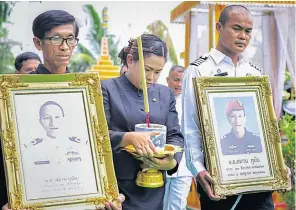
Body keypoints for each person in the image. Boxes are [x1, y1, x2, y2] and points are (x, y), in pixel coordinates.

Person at [0, 10, 124, 210]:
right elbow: (9, 151)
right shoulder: (19, 93)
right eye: (56, 39)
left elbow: (96, 146)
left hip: (78, 197)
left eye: (71, 39)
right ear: (38, 43)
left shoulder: (85, 93)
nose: (65, 47)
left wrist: (106, 192)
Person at [182, 5, 290, 210]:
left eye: (248, 31)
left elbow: (265, 128)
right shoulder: (199, 71)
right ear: (219, 27)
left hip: (257, 179)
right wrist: (198, 170)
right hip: (218, 180)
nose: (243, 36)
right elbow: (191, 128)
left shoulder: (254, 73)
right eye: (236, 28)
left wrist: (277, 164)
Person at [101, 34, 184, 210]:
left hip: (154, 187)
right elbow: (97, 137)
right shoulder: (106, 89)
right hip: (118, 188)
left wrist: (171, 163)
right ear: (130, 60)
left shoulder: (165, 94)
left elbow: (175, 135)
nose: (151, 78)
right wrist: (127, 138)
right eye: (147, 69)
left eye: (158, 72)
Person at [163, 65, 193, 210]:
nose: (179, 84)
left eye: (183, 81)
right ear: (167, 80)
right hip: (162, 164)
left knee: (177, 206)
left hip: (184, 167)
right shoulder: (158, 100)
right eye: (176, 80)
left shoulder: (191, 104)